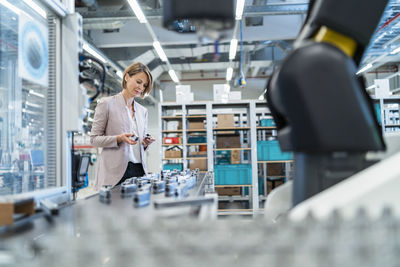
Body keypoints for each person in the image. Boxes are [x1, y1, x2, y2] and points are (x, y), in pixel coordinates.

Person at [90, 62, 156, 190]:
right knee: (113, 209)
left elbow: (139, 145)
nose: (141, 88)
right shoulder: (106, 104)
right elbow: (94, 139)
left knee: (138, 208)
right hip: (114, 173)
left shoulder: (143, 111)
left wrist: (145, 143)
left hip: (139, 170)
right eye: (138, 81)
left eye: (144, 85)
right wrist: (118, 139)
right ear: (127, 77)